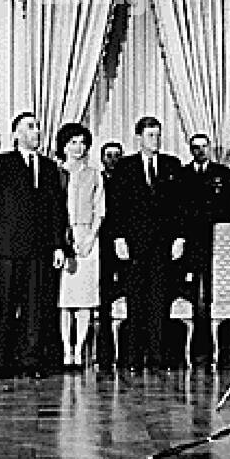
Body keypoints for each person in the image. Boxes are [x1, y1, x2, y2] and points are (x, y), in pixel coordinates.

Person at [0, 113, 69, 379]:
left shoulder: (50, 167)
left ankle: (30, 361)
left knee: (35, 309)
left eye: (38, 126)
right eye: (30, 127)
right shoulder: (2, 162)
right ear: (16, 134)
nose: (36, 131)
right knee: (6, 307)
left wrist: (58, 245)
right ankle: (2, 362)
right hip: (7, 249)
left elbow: (56, 209)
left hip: (39, 250)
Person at [109, 116, 185, 373]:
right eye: (151, 135)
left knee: (159, 300)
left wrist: (179, 238)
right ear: (139, 138)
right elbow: (116, 206)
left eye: (158, 135)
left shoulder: (172, 165)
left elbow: (180, 208)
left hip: (164, 246)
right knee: (135, 300)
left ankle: (157, 356)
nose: (156, 140)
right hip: (134, 245)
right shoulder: (124, 167)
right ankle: (132, 358)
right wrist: (118, 238)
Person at [177, 132, 230, 368]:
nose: (200, 151)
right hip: (191, 240)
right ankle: (196, 344)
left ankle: (218, 347)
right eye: (195, 147)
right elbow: (179, 207)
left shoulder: (223, 174)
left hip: (217, 239)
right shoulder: (182, 174)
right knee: (192, 291)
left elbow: (229, 206)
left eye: (203, 147)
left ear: (210, 148)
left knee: (214, 290)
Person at [55, 123, 104, 369]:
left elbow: (100, 209)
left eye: (82, 142)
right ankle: (65, 350)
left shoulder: (93, 174)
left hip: (88, 238)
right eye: (73, 142)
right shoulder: (55, 173)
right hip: (63, 238)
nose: (78, 147)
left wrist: (90, 237)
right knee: (65, 300)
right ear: (64, 145)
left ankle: (79, 350)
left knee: (85, 300)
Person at [95, 141, 125, 372]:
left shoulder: (127, 179)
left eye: (117, 155)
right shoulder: (97, 179)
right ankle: (104, 354)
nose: (113, 159)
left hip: (123, 245)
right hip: (101, 245)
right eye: (109, 155)